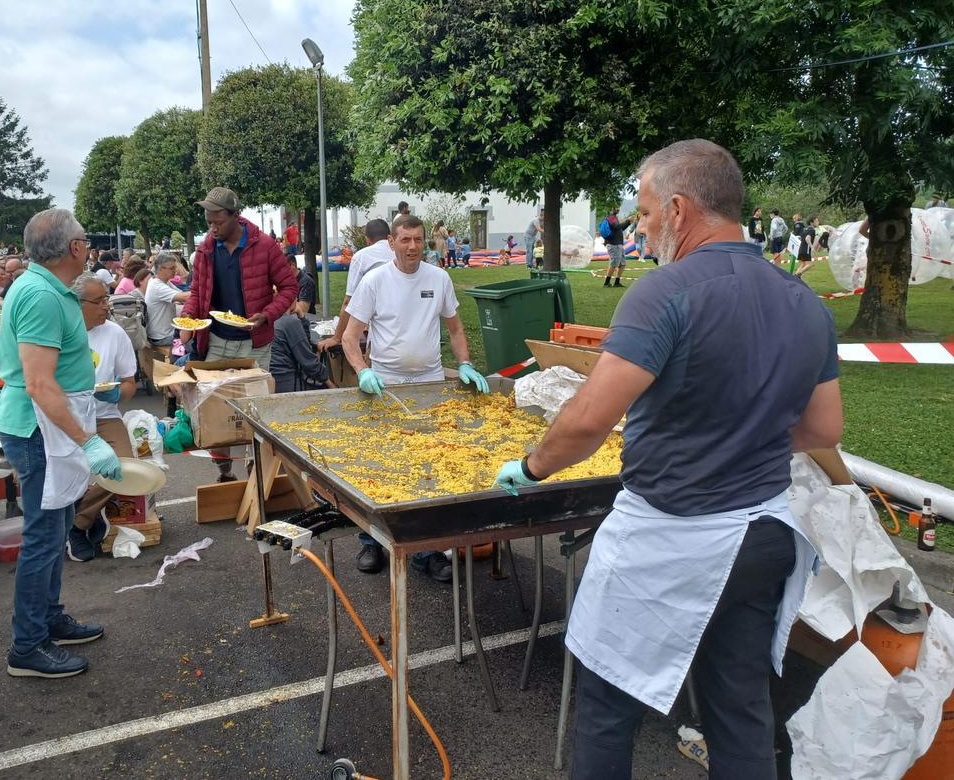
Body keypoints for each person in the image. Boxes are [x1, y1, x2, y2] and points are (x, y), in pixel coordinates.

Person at [495, 139, 840, 779]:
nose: (642, 226)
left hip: (670, 537)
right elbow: (824, 426)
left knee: (607, 707)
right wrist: (745, 435)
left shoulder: (664, 292)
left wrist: (532, 467)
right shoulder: (806, 304)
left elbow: (590, 419)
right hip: (762, 534)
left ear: (679, 210)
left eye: (647, 212)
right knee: (738, 714)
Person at [0, 208, 121, 679]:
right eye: (85, 240)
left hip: (52, 426)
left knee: (59, 521)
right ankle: (27, 646)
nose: (89, 247)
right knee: (44, 538)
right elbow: (39, 385)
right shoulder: (38, 295)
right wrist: (88, 441)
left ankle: (49, 618)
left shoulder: (54, 289)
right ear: (73, 248)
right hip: (38, 428)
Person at [342, 215, 490, 580]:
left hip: (430, 383)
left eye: (418, 240)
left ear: (425, 242)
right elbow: (349, 336)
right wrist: (363, 370)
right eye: (404, 240)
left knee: (430, 466)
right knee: (381, 464)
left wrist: (466, 364)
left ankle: (429, 552)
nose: (411, 247)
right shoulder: (375, 281)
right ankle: (371, 541)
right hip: (386, 384)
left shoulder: (438, 278)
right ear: (391, 243)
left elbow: (454, 329)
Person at [180, 187, 298, 481]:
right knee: (213, 407)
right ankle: (224, 471)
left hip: (255, 343)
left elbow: (289, 288)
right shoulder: (206, 249)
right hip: (216, 339)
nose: (212, 227)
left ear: (235, 216)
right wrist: (187, 318)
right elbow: (197, 292)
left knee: (254, 409)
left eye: (217, 220)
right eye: (208, 221)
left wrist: (267, 315)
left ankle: (254, 471)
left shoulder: (265, 246)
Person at [65, 274, 138, 563]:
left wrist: (118, 394)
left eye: (107, 298)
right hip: (65, 417)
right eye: (99, 301)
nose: (106, 306)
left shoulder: (114, 333)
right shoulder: (60, 332)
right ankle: (86, 516)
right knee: (64, 472)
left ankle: (77, 522)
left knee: (125, 467)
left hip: (105, 415)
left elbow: (130, 382)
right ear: (76, 303)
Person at [317, 218, 393, 353]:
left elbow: (349, 301)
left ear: (367, 240)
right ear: (390, 236)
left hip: (380, 330)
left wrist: (336, 337)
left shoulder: (362, 257)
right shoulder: (400, 253)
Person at [270, 298, 333, 393]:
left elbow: (304, 343)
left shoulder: (267, 317)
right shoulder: (289, 322)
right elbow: (309, 362)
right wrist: (330, 384)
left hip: (268, 381)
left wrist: (302, 317)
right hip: (287, 384)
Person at [601, 208, 634, 288]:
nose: (618, 209)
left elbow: (620, 229)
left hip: (618, 244)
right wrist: (627, 220)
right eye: (616, 207)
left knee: (622, 264)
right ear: (611, 209)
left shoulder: (614, 218)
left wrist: (629, 222)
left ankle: (617, 282)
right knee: (614, 263)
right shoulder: (611, 217)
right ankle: (606, 283)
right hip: (613, 244)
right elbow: (617, 226)